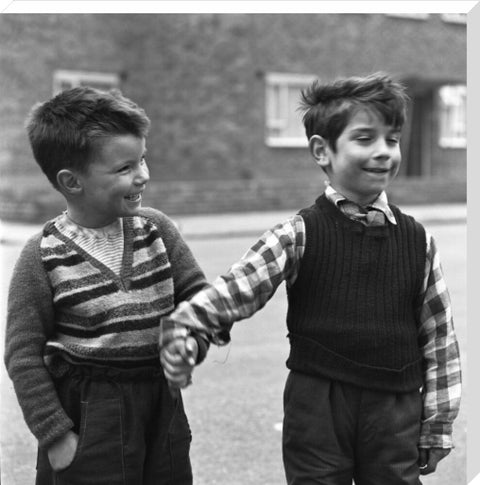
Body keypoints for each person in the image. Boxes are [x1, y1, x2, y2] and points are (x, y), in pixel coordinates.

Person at [159, 72, 462, 485]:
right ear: (322, 150)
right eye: (364, 138)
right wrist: (188, 324)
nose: (384, 152)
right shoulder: (299, 233)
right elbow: (239, 287)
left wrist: (438, 422)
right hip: (318, 403)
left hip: (395, 405)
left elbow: (439, 336)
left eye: (392, 139)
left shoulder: (418, 240)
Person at [4, 86, 207, 485]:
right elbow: (23, 354)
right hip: (88, 413)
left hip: (160, 407)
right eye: (124, 169)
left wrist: (191, 339)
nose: (143, 175)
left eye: (143, 160)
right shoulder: (41, 256)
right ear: (72, 182)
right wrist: (56, 434)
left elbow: (200, 298)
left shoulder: (157, 230)